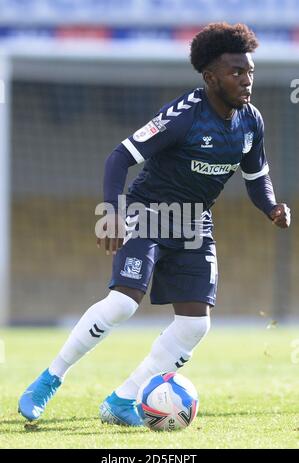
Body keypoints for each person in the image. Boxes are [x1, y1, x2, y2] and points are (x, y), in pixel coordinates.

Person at [18, 22, 290, 426]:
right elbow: (119, 157)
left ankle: (122, 399)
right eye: (237, 72)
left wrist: (271, 206)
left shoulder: (251, 121)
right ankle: (49, 378)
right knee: (124, 303)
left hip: (194, 223)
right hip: (149, 213)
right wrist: (111, 213)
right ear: (210, 76)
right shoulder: (183, 116)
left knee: (196, 323)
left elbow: (257, 177)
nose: (246, 80)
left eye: (250, 71)